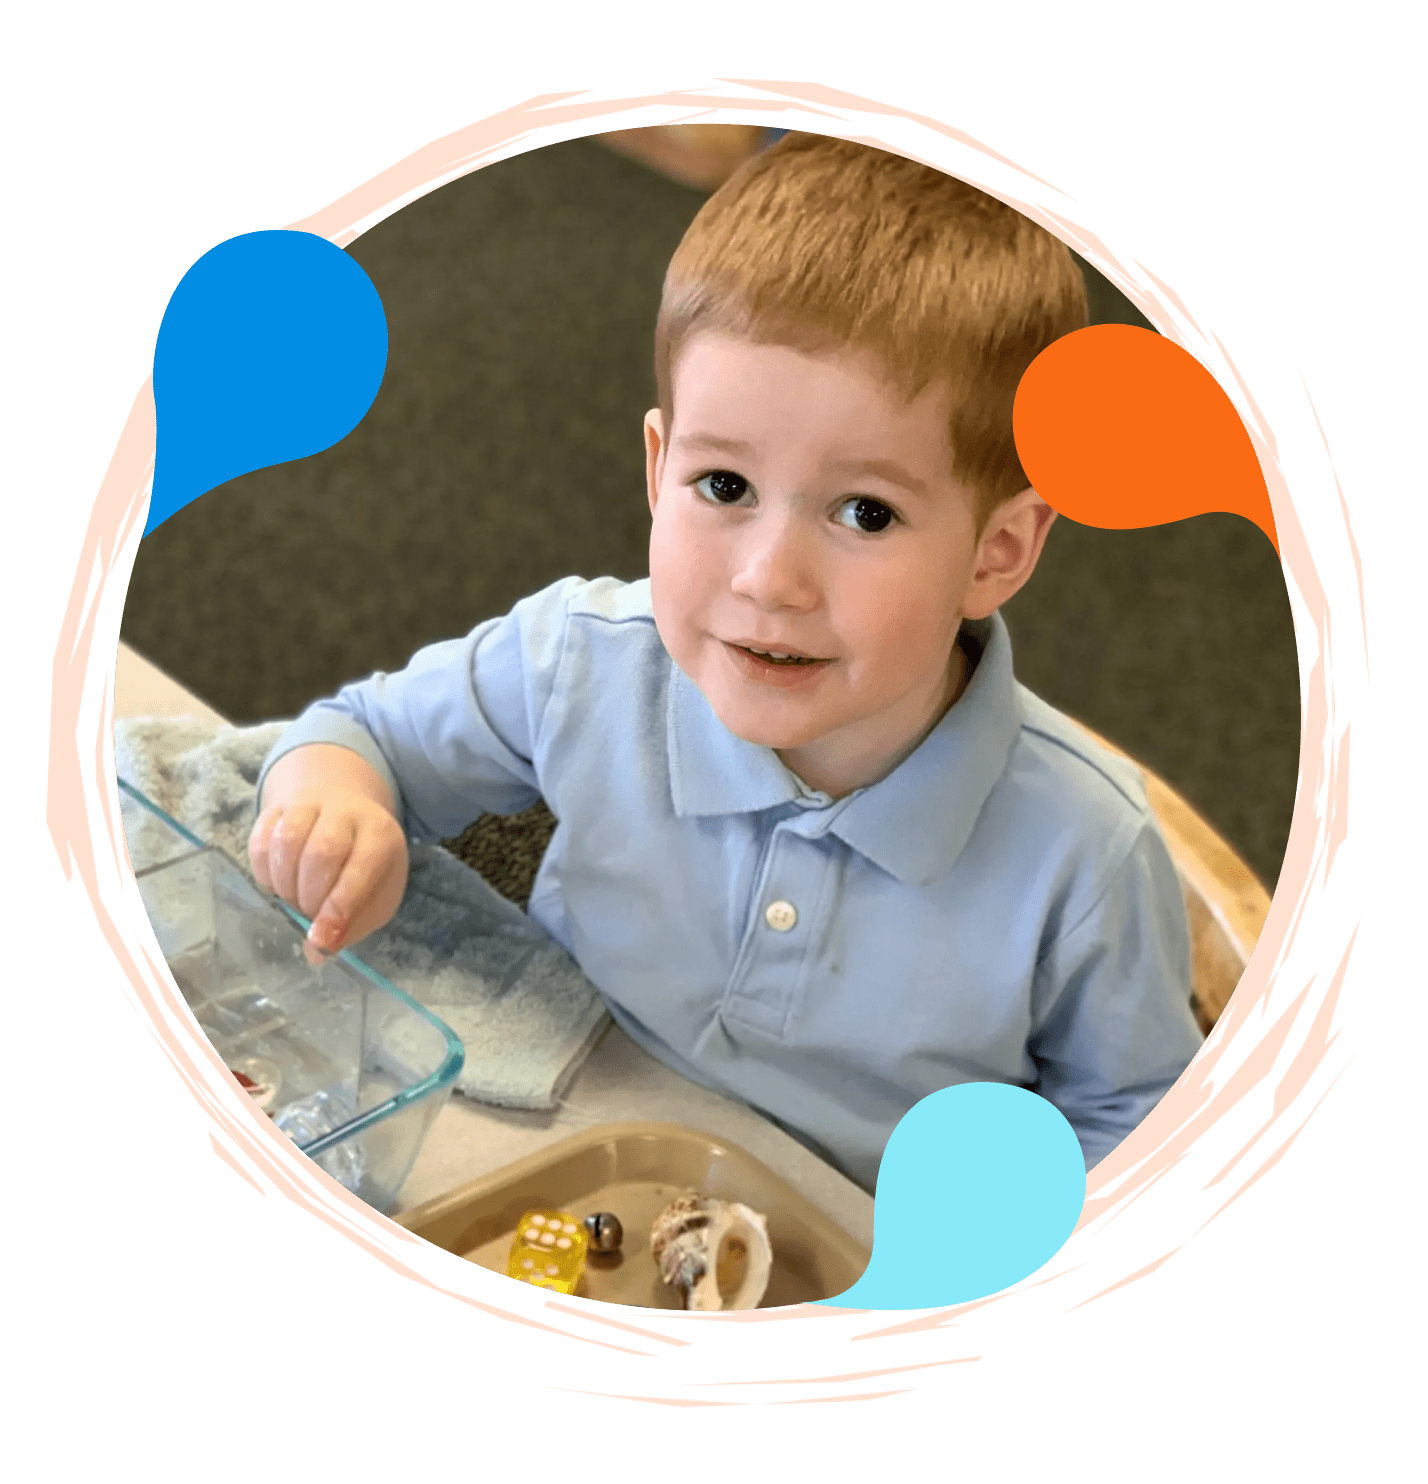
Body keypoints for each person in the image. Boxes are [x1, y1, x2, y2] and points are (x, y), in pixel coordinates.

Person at [249, 134, 1204, 1193]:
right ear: (659, 468)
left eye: (865, 511)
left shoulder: (1087, 855)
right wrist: (335, 812)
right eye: (724, 486)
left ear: (999, 551)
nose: (770, 578)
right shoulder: (581, 659)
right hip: (561, 1160)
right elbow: (357, 735)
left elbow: (1143, 1126)